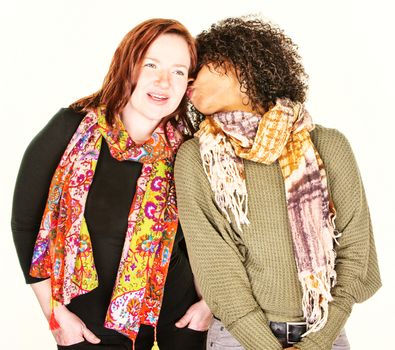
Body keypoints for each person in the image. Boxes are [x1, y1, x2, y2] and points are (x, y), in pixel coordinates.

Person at [175, 16, 381, 350]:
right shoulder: (197, 158)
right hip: (238, 339)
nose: (189, 77)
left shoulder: (328, 145)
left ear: (243, 64)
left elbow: (356, 249)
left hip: (326, 334)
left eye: (200, 65)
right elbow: (216, 265)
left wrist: (316, 343)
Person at [11, 18, 213, 350]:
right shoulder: (71, 129)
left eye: (178, 71)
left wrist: (208, 304)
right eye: (151, 64)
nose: (164, 80)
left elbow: (211, 238)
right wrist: (54, 313)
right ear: (128, 65)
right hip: (90, 330)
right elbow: (25, 224)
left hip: (179, 325)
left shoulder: (191, 150)